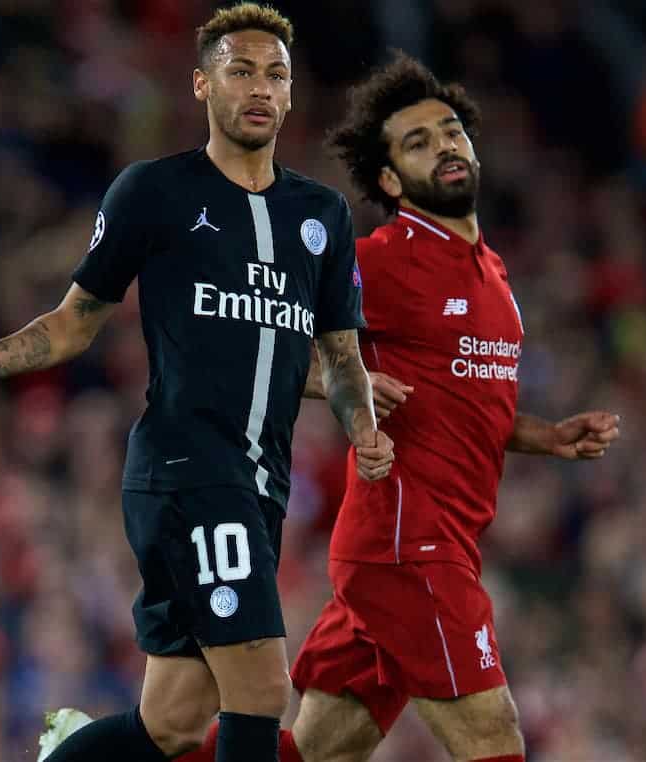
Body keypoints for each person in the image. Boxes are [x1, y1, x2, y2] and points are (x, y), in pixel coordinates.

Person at [0, 5, 396, 762]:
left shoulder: (322, 216)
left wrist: (363, 423)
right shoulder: (154, 193)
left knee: (173, 723)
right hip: (188, 472)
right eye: (241, 70)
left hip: (259, 483)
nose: (261, 88)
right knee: (262, 692)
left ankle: (68, 752)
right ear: (203, 84)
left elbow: (337, 361)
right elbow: (75, 322)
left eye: (276, 74)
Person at [174, 53, 621, 762]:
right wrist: (339, 383)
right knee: (492, 737)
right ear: (389, 180)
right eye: (418, 142)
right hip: (407, 545)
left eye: (450, 132)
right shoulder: (380, 262)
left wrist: (547, 436)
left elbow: (461, 403)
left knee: (316, 752)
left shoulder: (492, 272)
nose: (444, 145)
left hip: (429, 543)